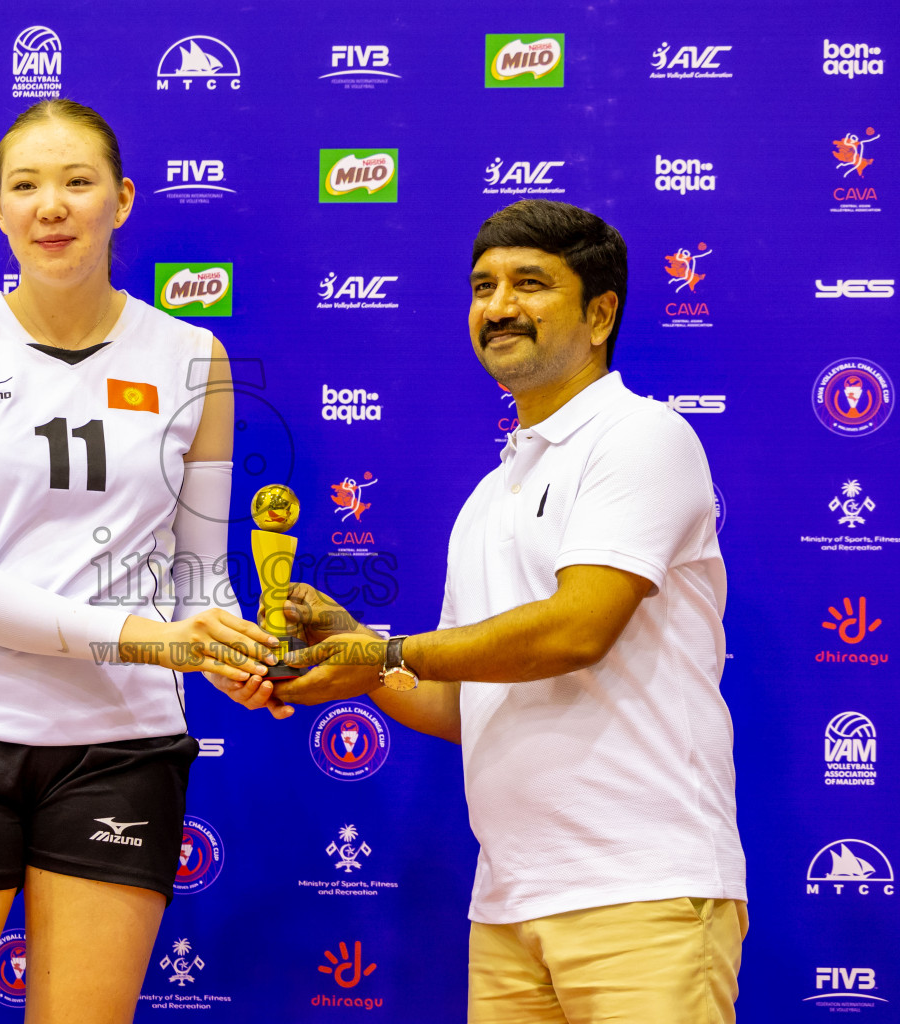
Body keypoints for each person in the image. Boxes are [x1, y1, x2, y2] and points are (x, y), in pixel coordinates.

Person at [240, 200, 747, 1023]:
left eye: (530, 284)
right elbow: (462, 700)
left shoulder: (642, 436)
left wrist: (390, 650)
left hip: (643, 891)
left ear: (600, 313)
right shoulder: (487, 495)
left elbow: (577, 628)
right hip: (509, 904)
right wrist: (356, 661)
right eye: (484, 286)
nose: (498, 305)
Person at [0, 99, 281, 1024]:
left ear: (122, 200)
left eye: (77, 182)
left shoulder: (195, 359)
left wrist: (228, 646)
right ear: (0, 207)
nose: (52, 205)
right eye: (27, 185)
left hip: (121, 746)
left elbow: (197, 577)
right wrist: (146, 638)